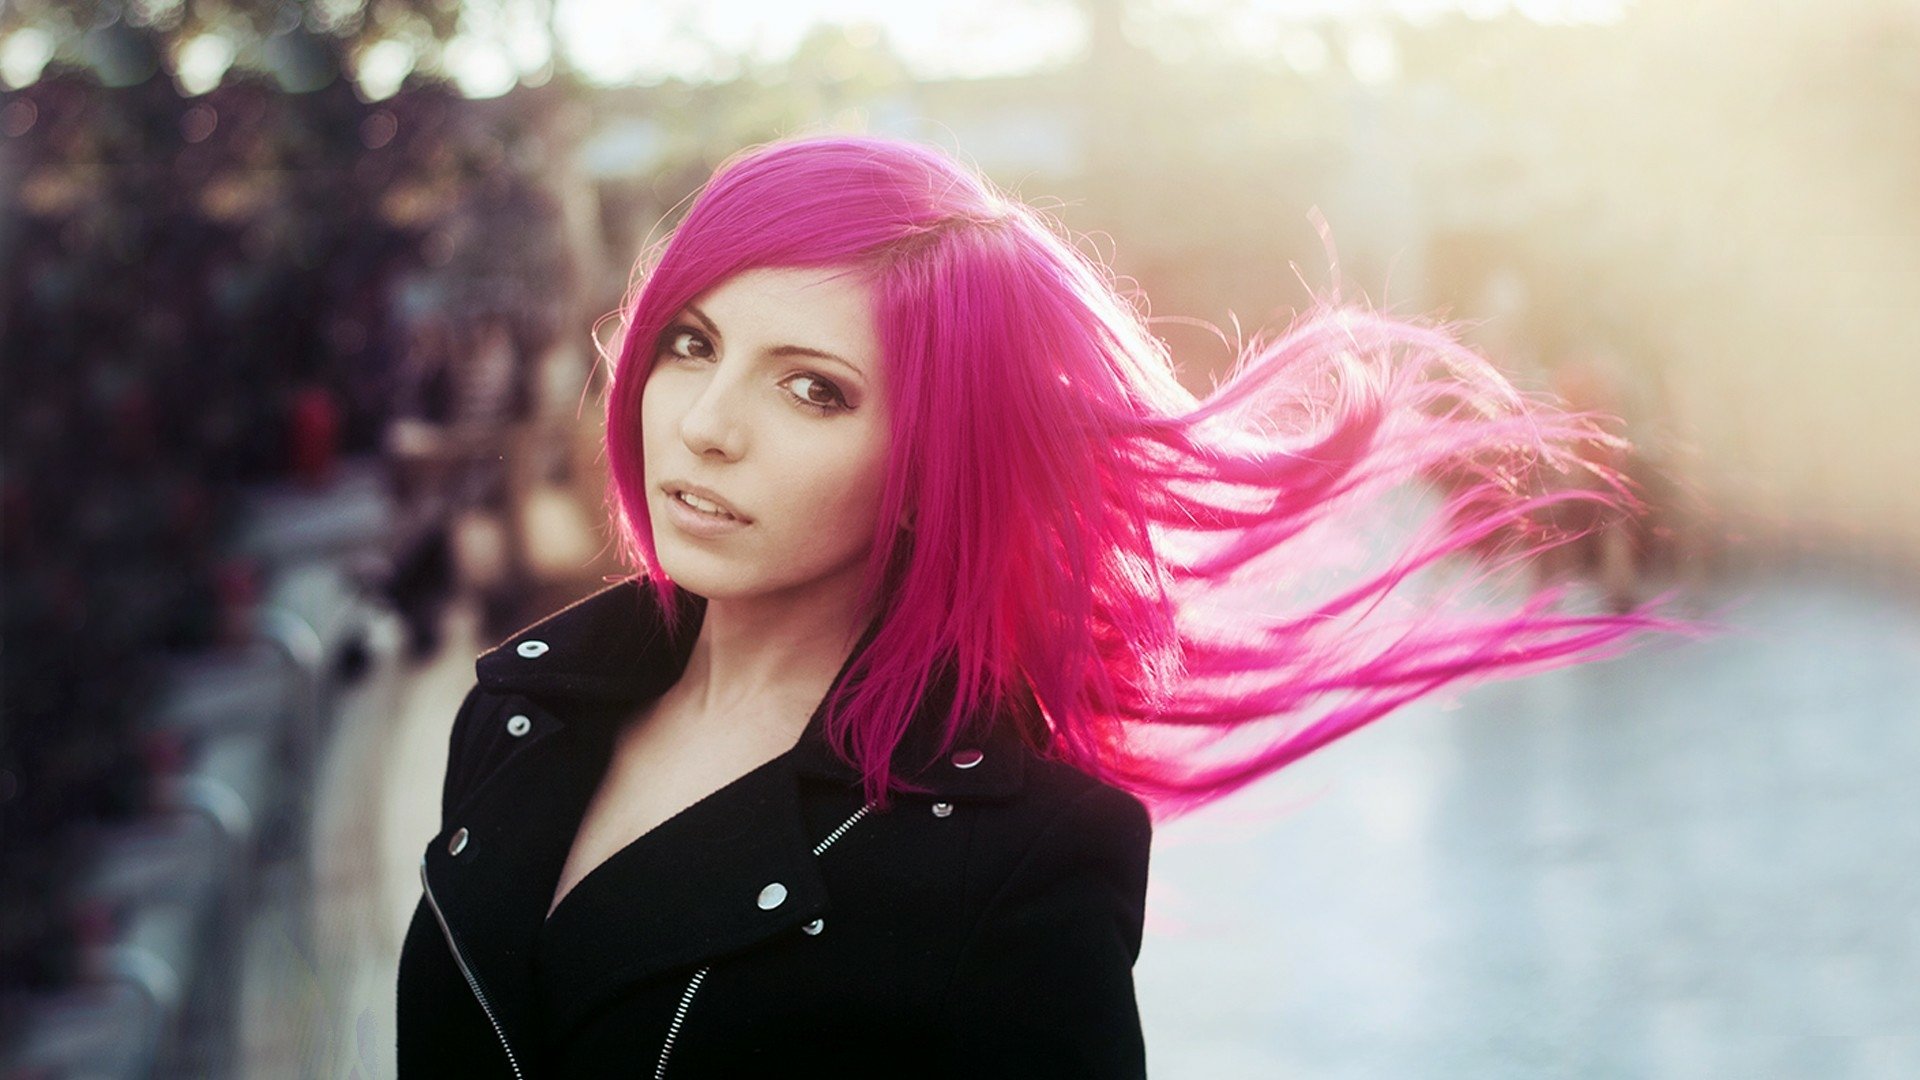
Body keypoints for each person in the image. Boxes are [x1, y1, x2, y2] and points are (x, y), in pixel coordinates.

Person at [395, 133, 1668, 1077]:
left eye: (814, 390)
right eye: (692, 343)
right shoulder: (522, 722)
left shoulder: (1015, 865)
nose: (709, 426)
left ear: (926, 462)